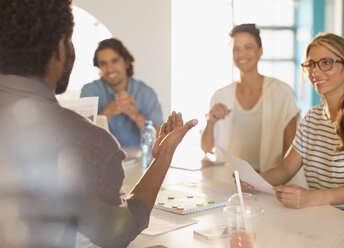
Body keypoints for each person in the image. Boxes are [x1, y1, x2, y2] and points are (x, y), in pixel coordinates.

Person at [0, 1, 197, 247]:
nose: (109, 68)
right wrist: (165, 153)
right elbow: (119, 233)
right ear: (62, 48)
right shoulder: (88, 141)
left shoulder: (143, 93)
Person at [247, 33, 344, 211]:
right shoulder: (312, 117)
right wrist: (253, 180)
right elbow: (286, 169)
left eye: (326, 63)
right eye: (311, 64)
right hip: (321, 213)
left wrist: (312, 198)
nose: (315, 72)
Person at [201, 23, 299, 173]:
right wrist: (210, 121)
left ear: (260, 51)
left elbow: (291, 150)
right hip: (229, 180)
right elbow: (206, 148)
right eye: (236, 49)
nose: (242, 54)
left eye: (248, 47)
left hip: (269, 179)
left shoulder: (282, 92)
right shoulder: (221, 96)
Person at [80, 38, 163, 147]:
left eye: (114, 61)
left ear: (127, 62)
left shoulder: (146, 93)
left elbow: (161, 139)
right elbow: (83, 137)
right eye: (103, 63)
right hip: (101, 160)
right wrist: (108, 111)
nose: (110, 69)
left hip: (139, 162)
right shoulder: (90, 91)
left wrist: (135, 115)